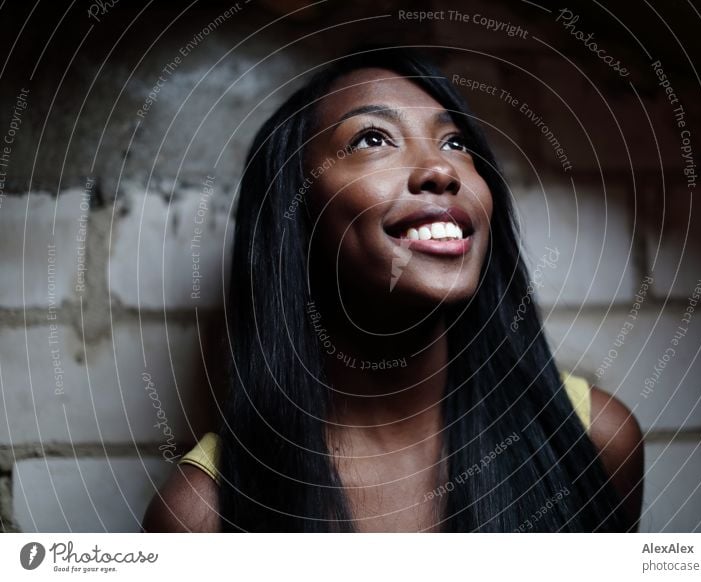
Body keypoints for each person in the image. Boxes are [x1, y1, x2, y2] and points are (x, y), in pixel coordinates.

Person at [143, 47, 643, 533]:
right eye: (372, 139)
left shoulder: (596, 441)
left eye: (454, 143)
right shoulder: (201, 518)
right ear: (296, 214)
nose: (442, 171)